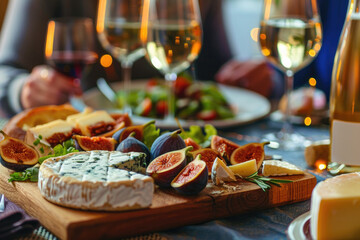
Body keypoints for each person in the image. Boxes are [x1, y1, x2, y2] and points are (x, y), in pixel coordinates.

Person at [0, 0, 274, 118]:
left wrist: (256, 77)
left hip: (174, 143)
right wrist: (21, 90)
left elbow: (215, 71)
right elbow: (4, 70)